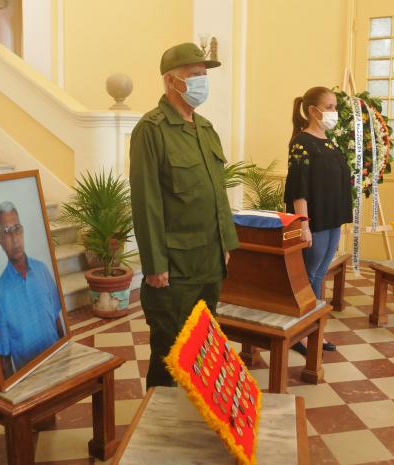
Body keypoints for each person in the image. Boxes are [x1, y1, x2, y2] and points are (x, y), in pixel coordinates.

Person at [130, 42, 238, 389]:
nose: (201, 82)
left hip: (209, 262)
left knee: (204, 348)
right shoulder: (152, 129)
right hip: (174, 268)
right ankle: (159, 430)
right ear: (171, 81)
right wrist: (154, 264)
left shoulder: (204, 128)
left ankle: (193, 418)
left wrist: (226, 243)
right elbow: (146, 202)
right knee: (171, 353)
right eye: (194, 76)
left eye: (204, 75)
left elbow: (216, 194)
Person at [284, 86, 353, 355]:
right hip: (315, 221)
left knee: (320, 273)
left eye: (335, 107)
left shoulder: (329, 140)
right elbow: (298, 187)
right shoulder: (302, 142)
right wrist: (303, 224)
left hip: (332, 217)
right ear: (313, 111)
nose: (335, 112)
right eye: (330, 107)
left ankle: (315, 327)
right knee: (310, 274)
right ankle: (304, 333)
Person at [0, 201, 64, 377]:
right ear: (0, 239)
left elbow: (57, 320)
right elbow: (4, 359)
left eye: (17, 229)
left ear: (22, 231)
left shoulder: (42, 271)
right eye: (7, 232)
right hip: (30, 379)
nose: (15, 239)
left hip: (58, 364)